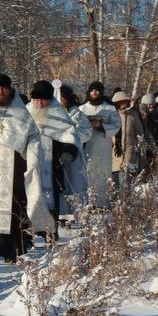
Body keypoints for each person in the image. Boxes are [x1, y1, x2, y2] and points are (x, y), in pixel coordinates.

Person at [0, 74, 53, 263]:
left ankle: (12, 250)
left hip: (13, 164)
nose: (0, 91)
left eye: (4, 87)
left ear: (9, 89)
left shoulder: (20, 111)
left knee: (13, 205)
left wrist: (30, 158)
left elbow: (33, 137)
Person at [25, 80, 84, 232]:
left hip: (53, 165)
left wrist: (67, 152)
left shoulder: (59, 114)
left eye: (43, 99)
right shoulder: (25, 112)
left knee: (51, 198)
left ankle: (51, 233)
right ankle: (30, 234)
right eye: (36, 99)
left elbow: (70, 135)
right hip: (28, 164)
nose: (39, 103)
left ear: (50, 99)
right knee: (29, 195)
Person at [79, 81, 121, 209]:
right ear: (88, 92)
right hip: (87, 145)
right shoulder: (82, 109)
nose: (94, 93)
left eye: (97, 90)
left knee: (102, 174)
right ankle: (87, 203)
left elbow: (117, 126)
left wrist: (101, 126)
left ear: (101, 92)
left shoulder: (110, 108)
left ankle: (102, 203)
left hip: (103, 146)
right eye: (92, 90)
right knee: (87, 173)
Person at [56, 84, 91, 217]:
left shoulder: (77, 114)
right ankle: (63, 213)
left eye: (62, 98)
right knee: (60, 183)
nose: (59, 101)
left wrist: (71, 136)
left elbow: (87, 132)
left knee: (75, 183)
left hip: (74, 154)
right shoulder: (52, 113)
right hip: (56, 152)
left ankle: (78, 212)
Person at [110, 90, 146, 190]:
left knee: (126, 183)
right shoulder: (111, 115)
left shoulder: (133, 115)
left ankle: (126, 202)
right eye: (119, 102)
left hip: (130, 153)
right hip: (114, 153)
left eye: (124, 101)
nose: (122, 104)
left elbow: (140, 134)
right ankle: (117, 202)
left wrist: (142, 152)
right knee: (115, 182)